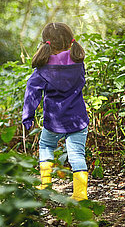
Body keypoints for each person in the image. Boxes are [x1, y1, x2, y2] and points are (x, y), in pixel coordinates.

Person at [22, 22, 90, 201]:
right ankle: (80, 194)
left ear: (46, 43)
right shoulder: (78, 62)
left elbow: (31, 92)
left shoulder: (43, 70)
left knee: (46, 146)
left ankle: (46, 184)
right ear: (70, 42)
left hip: (54, 121)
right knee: (77, 155)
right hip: (78, 119)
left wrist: (27, 116)